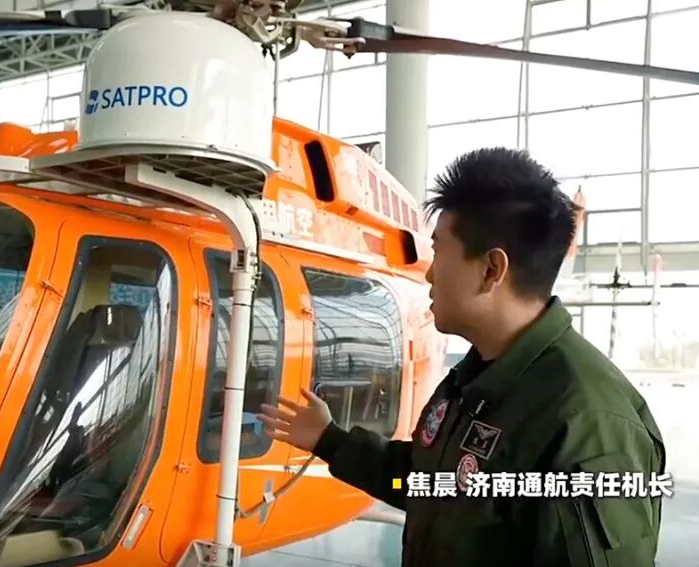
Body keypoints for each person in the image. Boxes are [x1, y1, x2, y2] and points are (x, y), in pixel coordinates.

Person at [259, 147, 667, 567]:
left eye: (439, 252)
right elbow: (427, 485)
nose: (429, 273)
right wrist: (329, 440)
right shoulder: (472, 381)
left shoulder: (587, 427)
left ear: (491, 270)